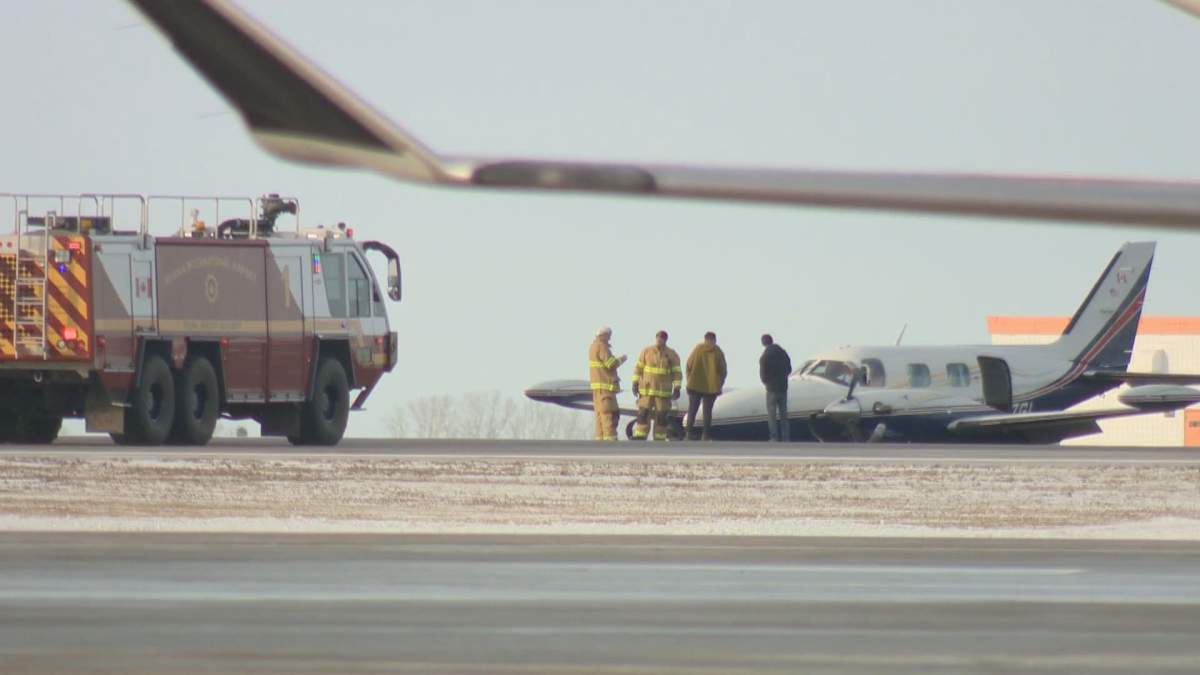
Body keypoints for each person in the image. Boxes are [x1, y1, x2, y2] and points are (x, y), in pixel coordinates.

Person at [631, 330, 682, 441]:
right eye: (658, 338)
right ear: (655, 338)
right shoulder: (646, 351)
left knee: (661, 416)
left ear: (665, 340)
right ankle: (640, 435)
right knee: (643, 413)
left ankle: (659, 437)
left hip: (663, 392)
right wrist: (635, 383)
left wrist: (677, 388)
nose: (659, 340)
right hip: (646, 390)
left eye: (662, 338)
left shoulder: (672, 354)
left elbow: (677, 372)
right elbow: (638, 368)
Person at [685, 331, 727, 440]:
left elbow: (688, 365)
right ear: (715, 340)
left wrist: (689, 380)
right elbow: (723, 370)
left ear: (704, 339)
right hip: (711, 388)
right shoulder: (718, 351)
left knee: (692, 410)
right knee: (707, 412)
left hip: (695, 385)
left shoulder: (698, 349)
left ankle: (688, 434)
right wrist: (719, 384)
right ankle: (705, 435)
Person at [588, 326, 627, 441]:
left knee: (600, 415)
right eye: (609, 335)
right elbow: (610, 364)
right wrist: (621, 359)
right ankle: (610, 440)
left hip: (598, 388)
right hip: (605, 388)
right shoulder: (602, 347)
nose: (610, 338)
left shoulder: (593, 346)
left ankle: (600, 440)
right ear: (604, 335)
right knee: (609, 414)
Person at [759, 334, 792, 442]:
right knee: (783, 414)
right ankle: (786, 437)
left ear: (763, 342)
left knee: (772, 415)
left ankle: (774, 437)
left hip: (771, 389)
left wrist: (767, 382)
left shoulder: (765, 356)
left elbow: (763, 373)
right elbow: (789, 369)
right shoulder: (783, 353)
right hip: (783, 387)